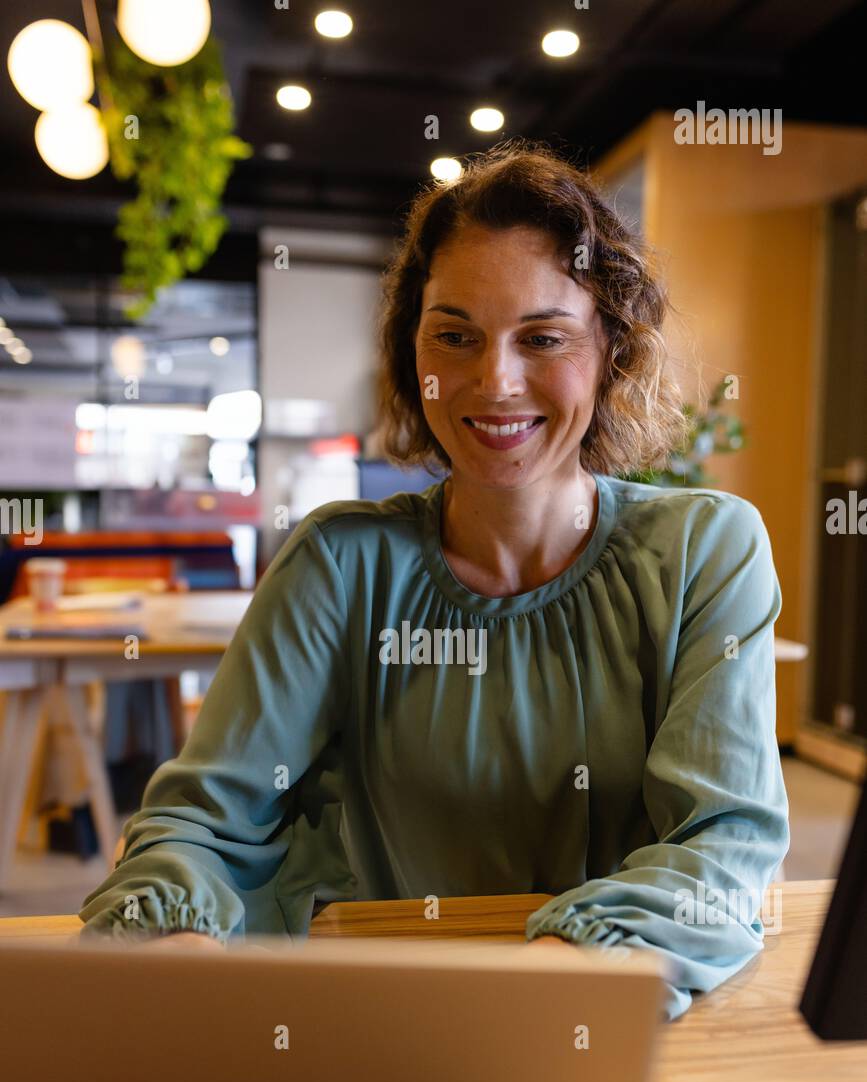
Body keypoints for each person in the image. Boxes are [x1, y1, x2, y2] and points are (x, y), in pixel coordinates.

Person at [79, 140, 790, 1021]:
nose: (493, 380)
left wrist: (551, 993)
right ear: (411, 353)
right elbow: (201, 822)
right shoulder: (338, 563)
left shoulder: (703, 550)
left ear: (610, 349)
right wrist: (175, 951)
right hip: (379, 1022)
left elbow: (721, 843)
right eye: (454, 335)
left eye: (542, 337)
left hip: (616, 1027)